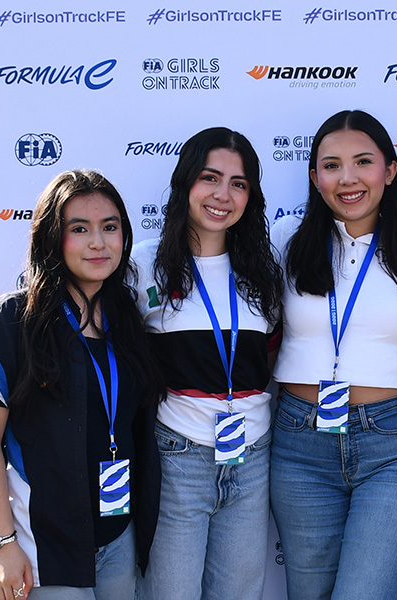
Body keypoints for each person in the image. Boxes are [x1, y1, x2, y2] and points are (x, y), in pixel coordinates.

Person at [0, 170, 162, 599]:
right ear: (51, 237)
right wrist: (2, 543)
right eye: (79, 229)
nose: (98, 242)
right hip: (39, 546)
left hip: (116, 537)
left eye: (110, 227)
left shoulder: (128, 318)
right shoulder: (11, 320)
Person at [270, 109, 397, 599]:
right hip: (301, 446)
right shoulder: (286, 242)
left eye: (363, 162)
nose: (347, 178)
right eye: (331, 165)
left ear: (389, 170)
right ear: (313, 175)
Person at [134, 127, 281, 600]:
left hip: (252, 457)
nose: (223, 195)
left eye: (238, 183)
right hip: (178, 458)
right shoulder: (141, 268)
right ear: (185, 184)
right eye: (210, 178)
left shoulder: (264, 275)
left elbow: (272, 358)